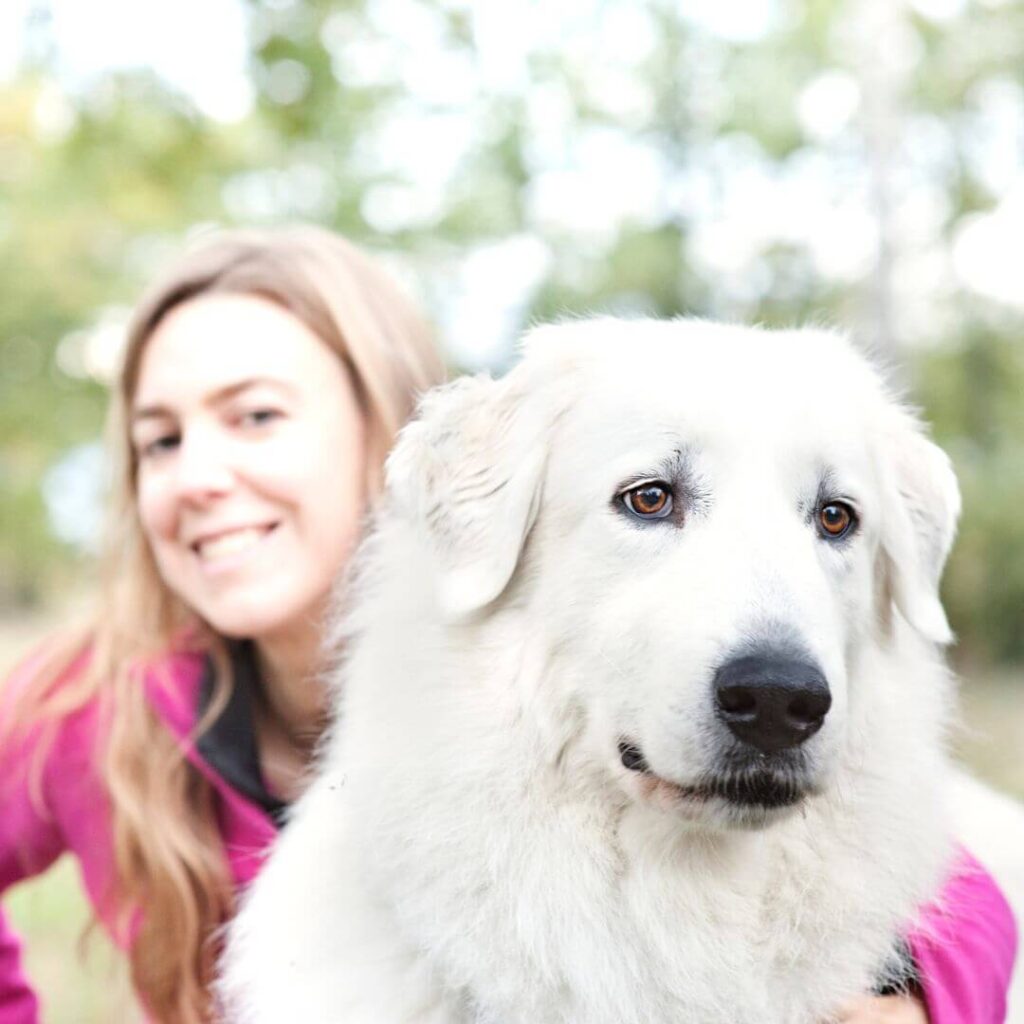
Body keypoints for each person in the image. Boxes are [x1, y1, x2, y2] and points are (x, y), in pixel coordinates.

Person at [0, 226, 1017, 1024]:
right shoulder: (95, 709)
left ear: (381, 426)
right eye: (159, 439)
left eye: (257, 416)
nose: (204, 475)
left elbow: (947, 867)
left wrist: (938, 994)